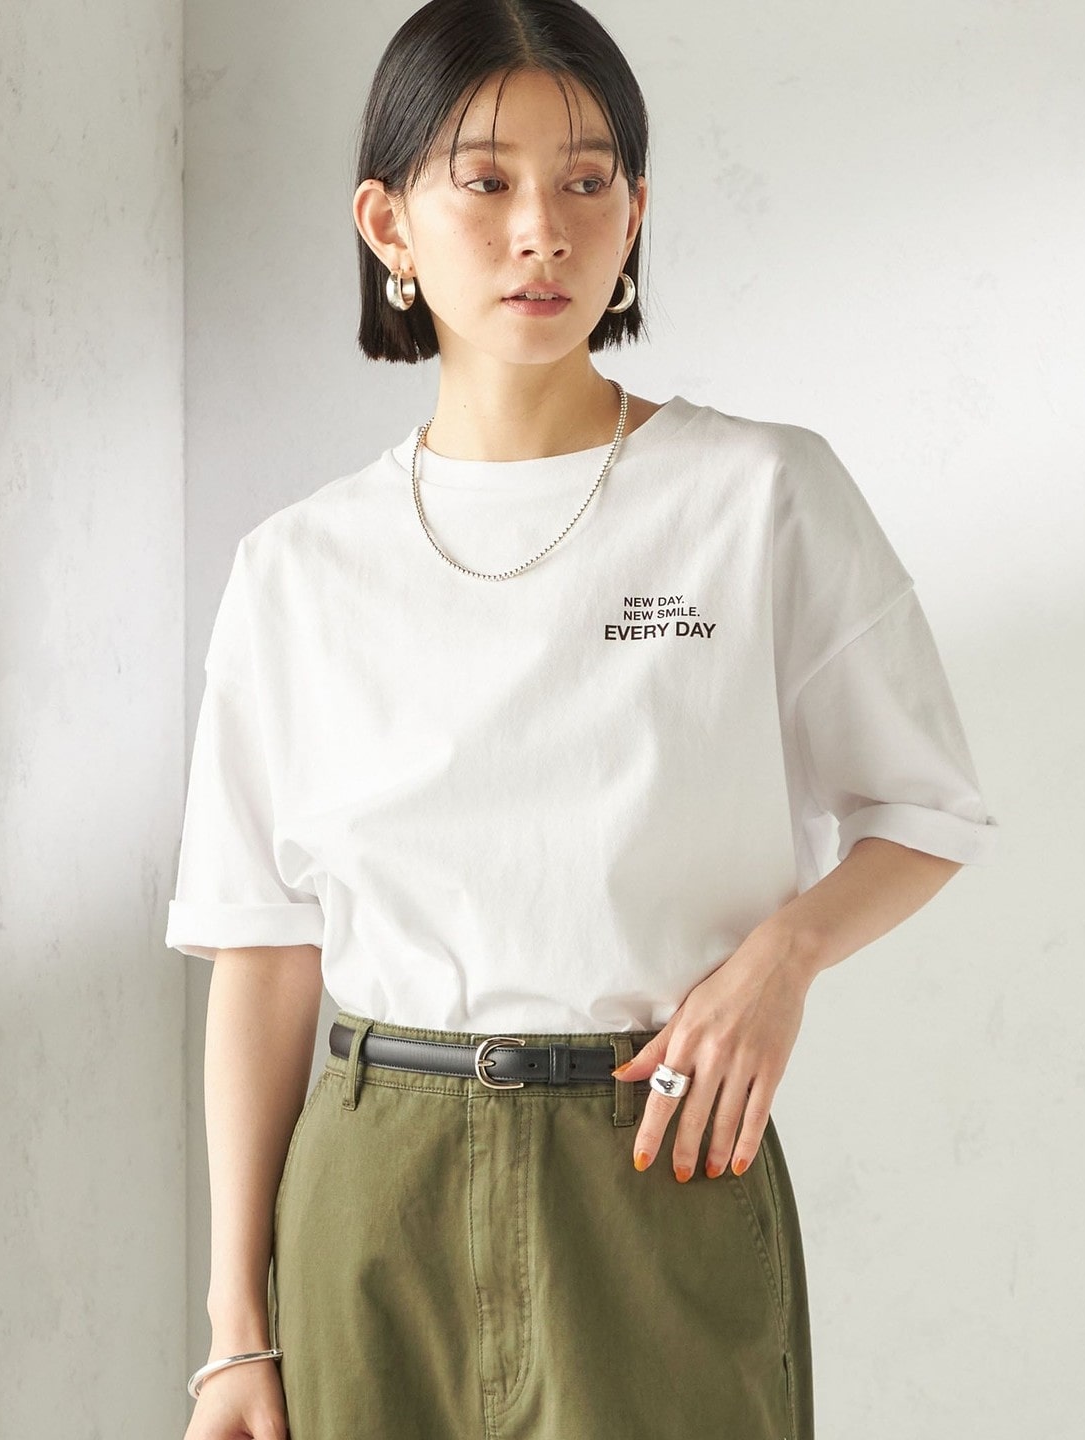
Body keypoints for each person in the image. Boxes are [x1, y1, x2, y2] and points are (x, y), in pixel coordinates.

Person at [167, 2, 998, 1437]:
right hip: (373, 1186)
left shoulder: (757, 496)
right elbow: (265, 953)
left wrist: (784, 958)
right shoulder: (297, 568)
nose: (541, 231)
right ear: (388, 224)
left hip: (652, 1160)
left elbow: (925, 810)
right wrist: (236, 1336)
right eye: (485, 182)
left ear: (636, 213)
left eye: (587, 181)